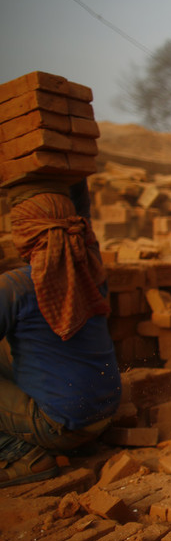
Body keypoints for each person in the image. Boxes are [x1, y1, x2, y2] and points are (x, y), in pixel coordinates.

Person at [0, 180, 121, 487]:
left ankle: (21, 455)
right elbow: (83, 217)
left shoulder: (15, 286)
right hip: (104, 415)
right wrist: (72, 173)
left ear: (26, 231)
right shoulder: (91, 270)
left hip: (59, 426)